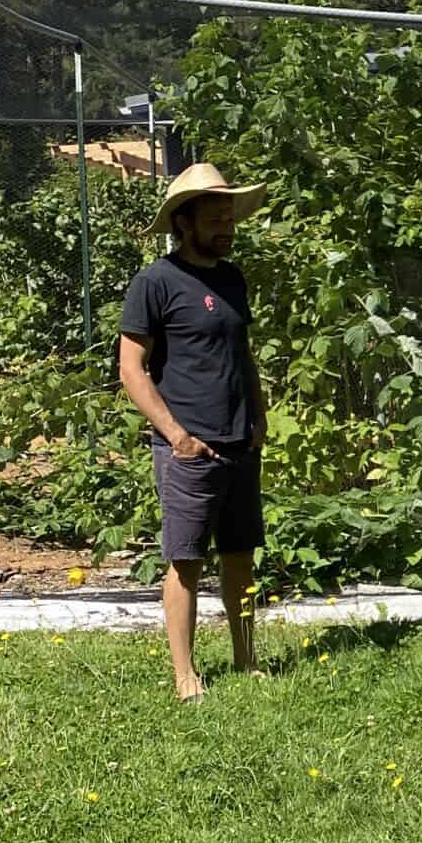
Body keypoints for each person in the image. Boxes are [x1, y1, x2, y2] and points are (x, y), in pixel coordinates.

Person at [118, 163, 269, 702]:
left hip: (238, 441)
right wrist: (176, 435)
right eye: (214, 214)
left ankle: (246, 657)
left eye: (229, 213)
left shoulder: (231, 278)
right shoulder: (154, 283)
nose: (226, 224)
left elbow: (241, 352)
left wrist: (259, 414)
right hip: (189, 449)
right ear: (183, 222)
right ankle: (185, 676)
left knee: (240, 554)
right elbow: (131, 369)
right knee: (185, 562)